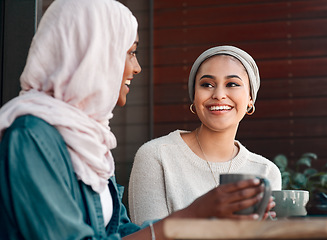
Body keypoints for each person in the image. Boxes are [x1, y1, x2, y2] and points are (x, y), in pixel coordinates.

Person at [0, 0, 275, 239]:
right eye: (130, 52)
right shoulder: (31, 138)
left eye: (233, 85)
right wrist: (192, 216)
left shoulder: (86, 142)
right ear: (94, 55)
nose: (137, 67)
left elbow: (119, 232)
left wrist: (210, 223)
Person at [129, 46, 282, 225]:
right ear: (194, 97)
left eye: (232, 84)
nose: (218, 95)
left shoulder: (266, 172)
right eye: (206, 85)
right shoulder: (157, 156)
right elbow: (150, 236)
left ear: (250, 99)